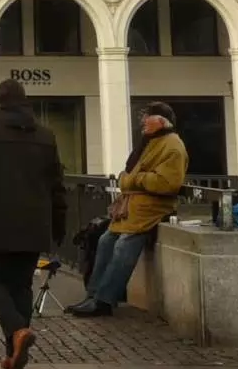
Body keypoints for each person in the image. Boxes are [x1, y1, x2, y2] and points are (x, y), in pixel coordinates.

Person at [0, 79, 68, 369]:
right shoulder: (46, 135)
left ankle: (18, 332)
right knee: (21, 284)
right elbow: (57, 185)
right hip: (35, 220)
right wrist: (59, 222)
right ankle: (14, 353)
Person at [70, 102, 187, 318]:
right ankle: (93, 295)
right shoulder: (151, 142)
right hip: (133, 206)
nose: (143, 121)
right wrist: (132, 180)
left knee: (124, 244)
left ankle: (104, 300)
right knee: (105, 240)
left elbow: (167, 183)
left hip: (151, 208)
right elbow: (128, 175)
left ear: (161, 121)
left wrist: (134, 179)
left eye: (147, 117)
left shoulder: (173, 146)